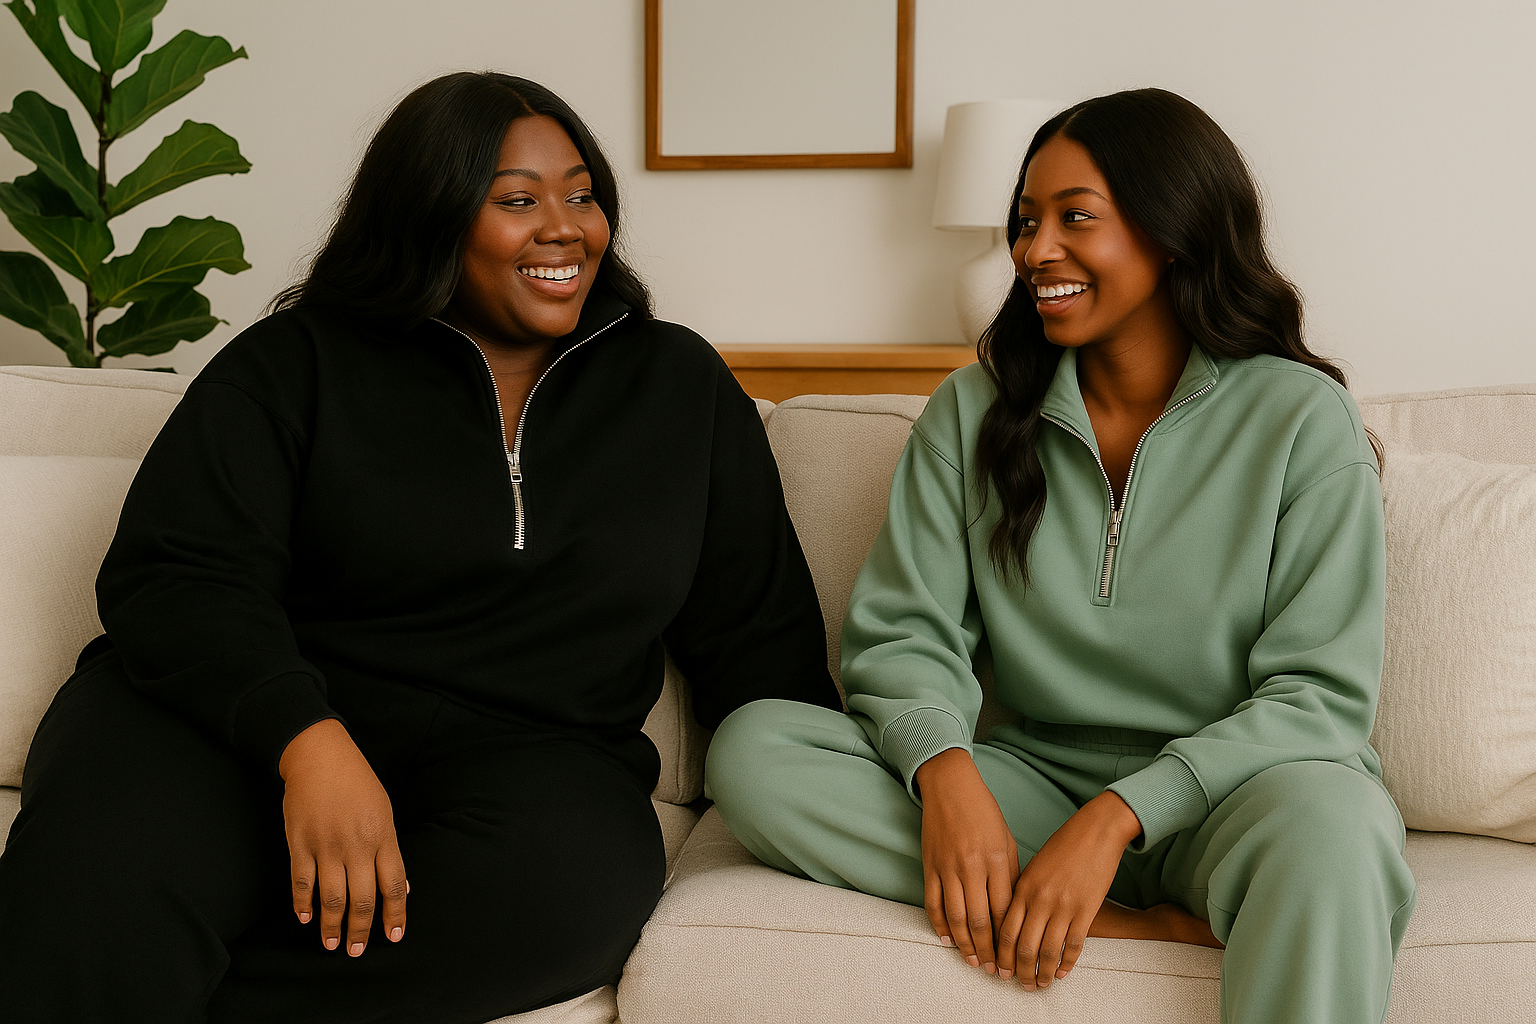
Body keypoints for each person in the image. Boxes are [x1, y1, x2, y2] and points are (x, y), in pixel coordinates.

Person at [0, 72, 839, 1023]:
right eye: (519, 201)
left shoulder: (680, 386)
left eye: (582, 193)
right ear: (428, 216)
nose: (566, 227)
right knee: (104, 869)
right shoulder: (295, 362)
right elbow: (177, 574)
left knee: (568, 895)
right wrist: (307, 744)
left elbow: (758, 636)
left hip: (523, 757)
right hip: (229, 726)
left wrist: (846, 792)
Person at [706, 88, 1416, 1024]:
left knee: (1341, 830)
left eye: (1075, 218)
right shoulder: (972, 410)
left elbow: (1318, 699)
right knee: (758, 749)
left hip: (1233, 798)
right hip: (1029, 783)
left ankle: (1082, 889)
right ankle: (1126, 921)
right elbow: (902, 634)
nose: (1034, 251)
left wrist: (1117, 817)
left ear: (1172, 231)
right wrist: (946, 774)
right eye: (1027, 221)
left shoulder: (1299, 420)